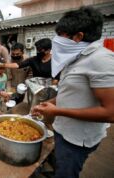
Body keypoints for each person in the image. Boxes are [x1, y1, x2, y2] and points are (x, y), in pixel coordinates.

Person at [32, 7, 114, 178]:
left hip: (77, 140)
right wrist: (50, 104)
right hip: (64, 131)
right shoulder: (76, 57)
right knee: (60, 164)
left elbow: (111, 112)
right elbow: (69, 92)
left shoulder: (101, 60)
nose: (57, 40)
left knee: (67, 173)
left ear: (78, 36)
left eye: (61, 34)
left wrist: (57, 111)